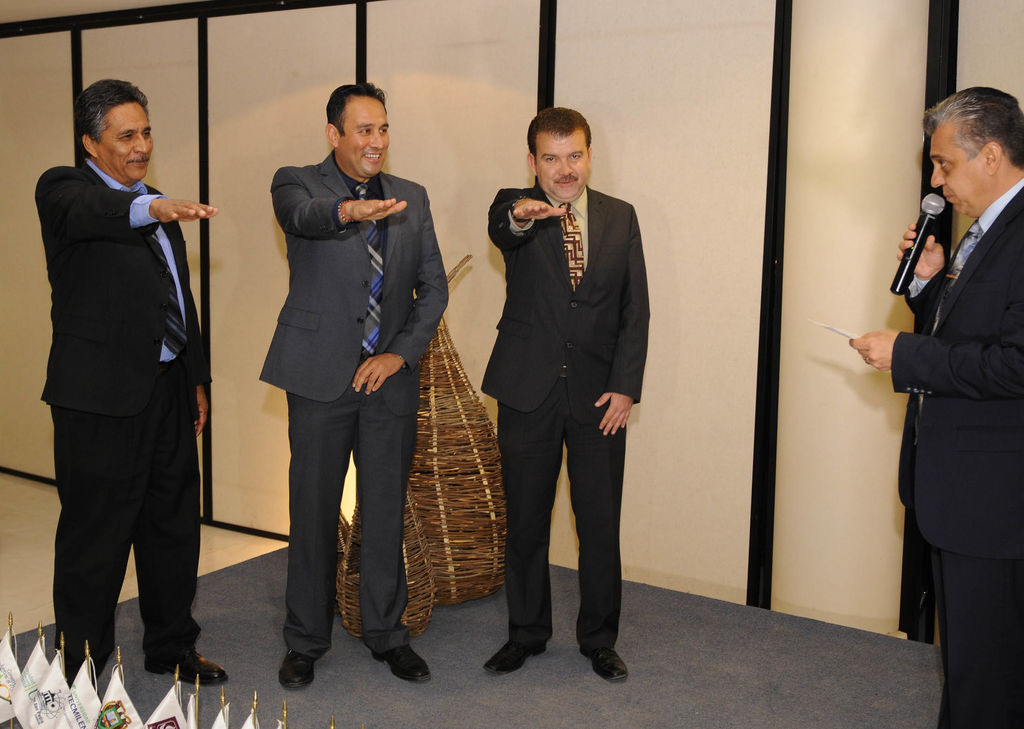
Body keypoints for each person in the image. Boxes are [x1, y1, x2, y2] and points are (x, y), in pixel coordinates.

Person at [35, 79, 226, 683]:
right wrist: (150, 208)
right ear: (91, 143)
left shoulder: (157, 200)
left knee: (173, 527)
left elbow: (179, 296)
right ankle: (81, 671)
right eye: (126, 136)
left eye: (146, 132)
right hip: (98, 402)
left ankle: (172, 646)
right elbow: (97, 212)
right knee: (96, 539)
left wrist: (196, 378)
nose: (142, 145)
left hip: (168, 390)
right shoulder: (64, 190)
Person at [261, 82, 448, 686]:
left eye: (384, 129)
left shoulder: (412, 196)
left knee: (385, 511)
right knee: (312, 512)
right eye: (364, 130)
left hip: (387, 382)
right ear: (334, 134)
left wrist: (398, 355)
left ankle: (387, 634)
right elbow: (302, 218)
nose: (377, 141)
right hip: (318, 378)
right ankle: (305, 641)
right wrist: (349, 211)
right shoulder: (296, 182)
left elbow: (434, 289)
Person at [852, 87, 1024, 729]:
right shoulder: (989, 230)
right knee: (973, 664)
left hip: (996, 498)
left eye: (944, 164)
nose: (936, 182)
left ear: (992, 156)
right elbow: (970, 333)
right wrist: (928, 284)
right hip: (964, 489)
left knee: (988, 670)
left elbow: (1016, 364)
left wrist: (908, 353)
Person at [481, 107, 649, 681]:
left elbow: (635, 309)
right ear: (533, 162)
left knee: (599, 525)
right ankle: (526, 634)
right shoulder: (515, 205)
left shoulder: (620, 217)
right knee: (526, 522)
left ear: (590, 155)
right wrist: (522, 217)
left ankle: (599, 639)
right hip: (526, 390)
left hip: (599, 398)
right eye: (551, 159)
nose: (565, 169)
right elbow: (503, 227)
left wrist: (626, 387)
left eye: (574, 155)